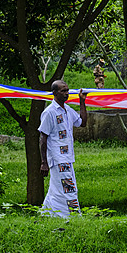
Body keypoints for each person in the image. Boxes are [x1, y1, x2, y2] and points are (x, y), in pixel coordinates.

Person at [39, 80, 88, 218]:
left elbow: (82, 123)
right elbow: (43, 138)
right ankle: (73, 216)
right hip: (58, 158)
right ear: (55, 93)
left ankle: (46, 214)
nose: (67, 93)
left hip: (68, 157)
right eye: (63, 91)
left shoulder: (67, 110)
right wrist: (44, 162)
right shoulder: (49, 112)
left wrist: (82, 101)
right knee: (69, 188)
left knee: (56, 187)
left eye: (67, 90)